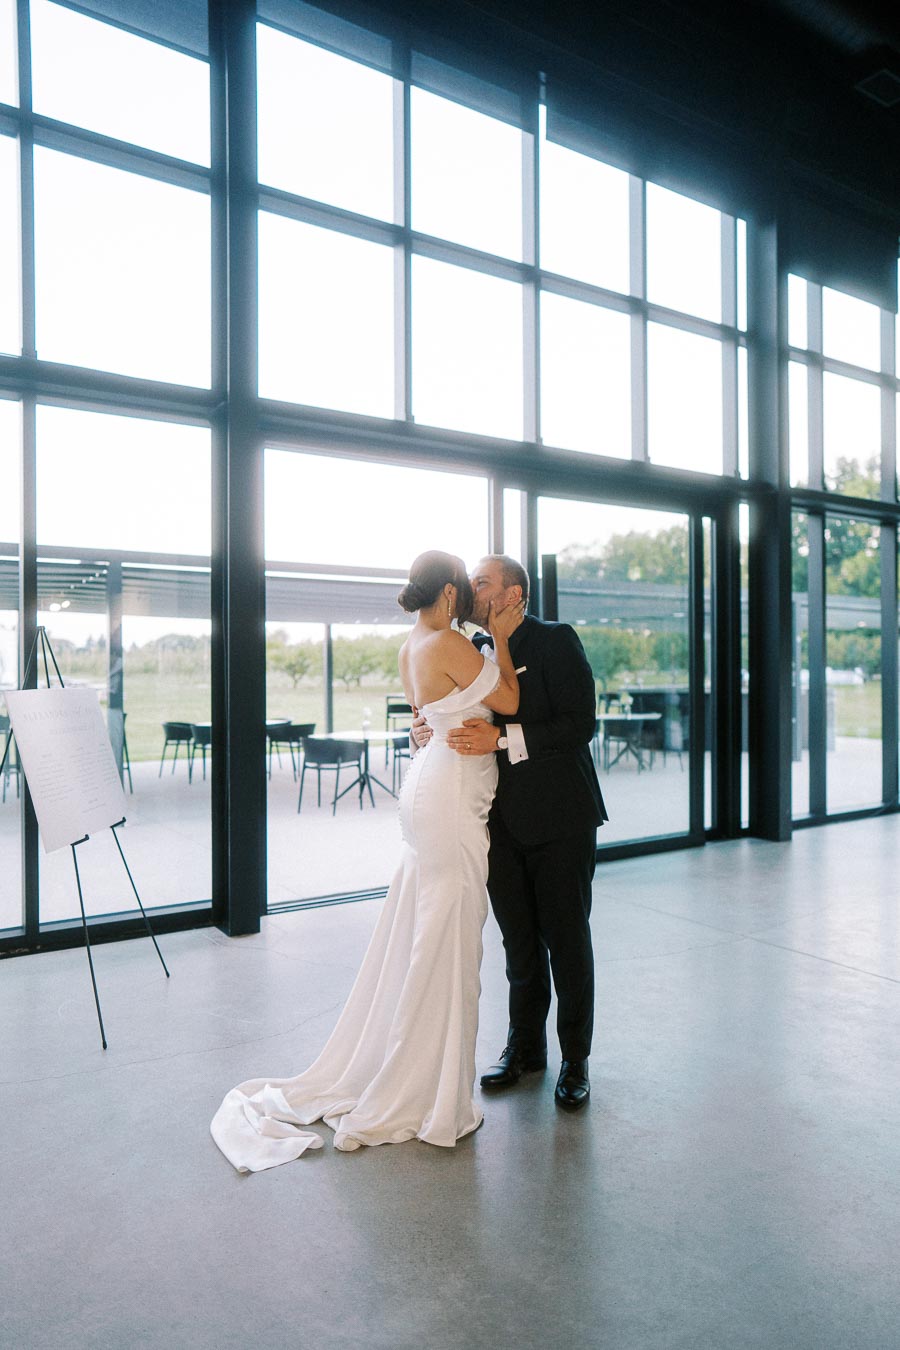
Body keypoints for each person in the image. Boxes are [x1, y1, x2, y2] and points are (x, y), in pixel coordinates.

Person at [210, 550, 524, 1172]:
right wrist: (505, 642)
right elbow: (509, 699)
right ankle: (430, 1099)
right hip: (451, 799)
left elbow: (430, 713)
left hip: (429, 787)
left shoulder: (415, 642)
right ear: (453, 595)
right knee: (448, 945)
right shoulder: (448, 643)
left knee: (425, 937)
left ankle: (419, 1074)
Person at [414, 555, 607, 1111]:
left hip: (560, 817)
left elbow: (579, 723)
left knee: (566, 941)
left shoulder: (555, 640)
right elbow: (453, 711)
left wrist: (501, 741)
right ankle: (525, 1049)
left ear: (513, 593)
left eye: (482, 583)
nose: (471, 590)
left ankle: (575, 1058)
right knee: (517, 942)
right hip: (495, 820)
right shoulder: (470, 650)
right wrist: (427, 725)